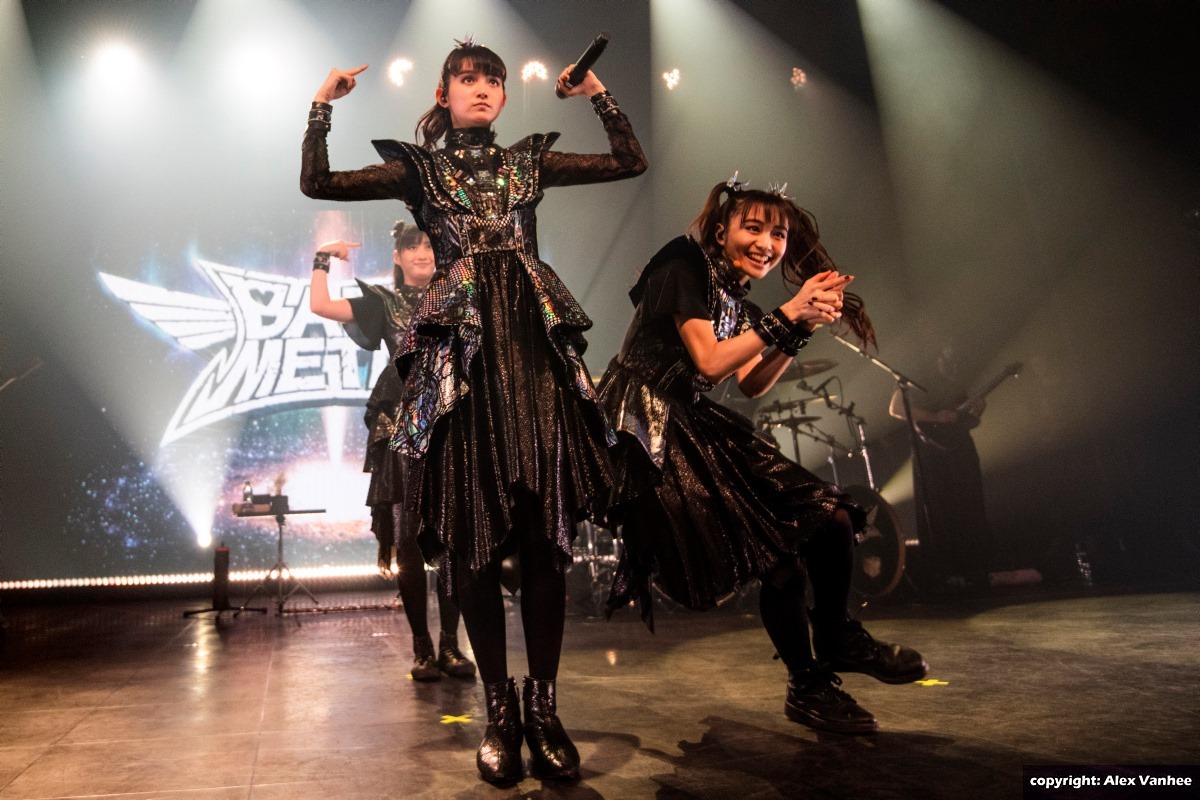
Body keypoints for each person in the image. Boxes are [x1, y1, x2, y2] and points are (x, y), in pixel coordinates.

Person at [301, 39, 647, 783]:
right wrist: (322, 105)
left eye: (493, 79)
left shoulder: (527, 161)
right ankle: (499, 710)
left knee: (546, 542)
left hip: (531, 364)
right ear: (445, 91)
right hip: (461, 372)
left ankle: (545, 708)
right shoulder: (419, 169)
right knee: (474, 548)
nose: (484, 88)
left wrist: (597, 95)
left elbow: (630, 162)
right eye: (469, 79)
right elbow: (317, 182)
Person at [599, 179, 927, 735]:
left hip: (691, 420)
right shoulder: (682, 262)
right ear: (721, 228)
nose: (768, 244)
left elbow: (750, 382)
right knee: (778, 558)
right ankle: (809, 684)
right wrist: (787, 311)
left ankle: (837, 637)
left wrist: (797, 328)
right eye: (753, 228)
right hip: (645, 424)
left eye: (778, 235)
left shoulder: (740, 301)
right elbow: (707, 362)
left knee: (832, 517)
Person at [308, 222, 475, 682]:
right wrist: (323, 256)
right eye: (411, 246)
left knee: (454, 539)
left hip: (454, 423)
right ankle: (422, 648)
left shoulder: (460, 298)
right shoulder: (384, 302)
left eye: (428, 244)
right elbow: (320, 304)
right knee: (408, 539)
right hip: (402, 424)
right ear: (398, 257)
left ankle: (450, 646)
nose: (422, 252)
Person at [889, 341, 993, 588]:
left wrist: (976, 414)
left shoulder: (961, 382)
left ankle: (974, 568)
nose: (952, 364)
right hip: (931, 455)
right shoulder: (919, 380)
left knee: (969, 503)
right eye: (947, 359)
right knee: (940, 508)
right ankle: (946, 571)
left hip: (960, 452)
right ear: (936, 359)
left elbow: (961, 424)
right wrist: (935, 417)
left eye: (956, 360)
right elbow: (896, 408)